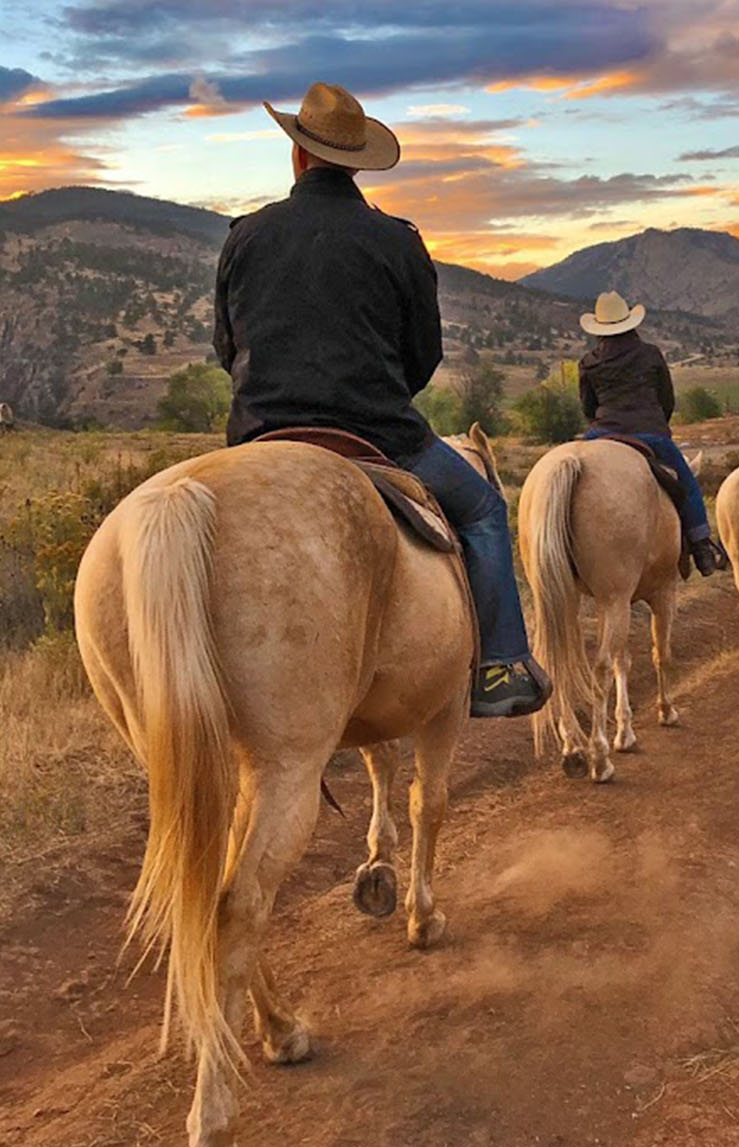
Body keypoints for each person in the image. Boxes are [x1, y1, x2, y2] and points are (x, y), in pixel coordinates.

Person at [214, 81, 549, 718]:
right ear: (358, 161)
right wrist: (375, 394)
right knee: (482, 510)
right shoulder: (397, 241)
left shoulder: (246, 236)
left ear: (298, 156)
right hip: (380, 433)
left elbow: (227, 348)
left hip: (259, 435)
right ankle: (501, 666)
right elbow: (423, 355)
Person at [576, 292, 726, 577]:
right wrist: (657, 425)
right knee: (686, 481)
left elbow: (588, 406)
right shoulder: (650, 354)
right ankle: (701, 546)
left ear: (599, 328)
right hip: (649, 432)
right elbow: (666, 399)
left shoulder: (588, 362)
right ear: (630, 323)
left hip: (602, 433)